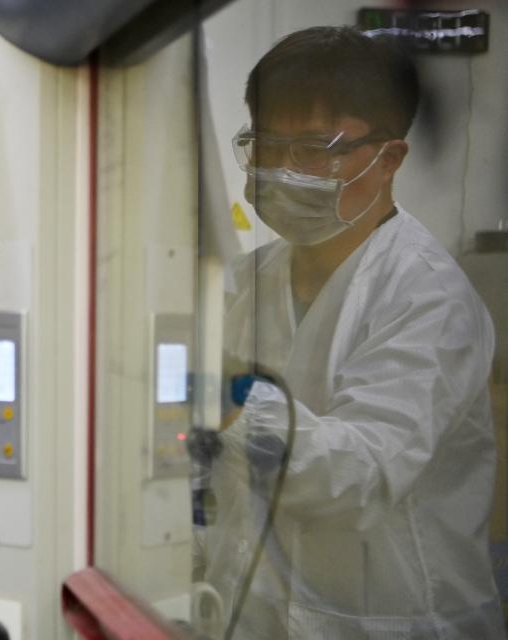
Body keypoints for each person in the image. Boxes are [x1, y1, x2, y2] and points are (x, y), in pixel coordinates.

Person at [196, 26, 505, 638]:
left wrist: (228, 394)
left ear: (389, 158)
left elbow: (359, 476)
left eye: (315, 148)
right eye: (267, 145)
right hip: (249, 617)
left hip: (388, 623)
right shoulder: (245, 283)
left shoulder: (428, 297)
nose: (282, 171)